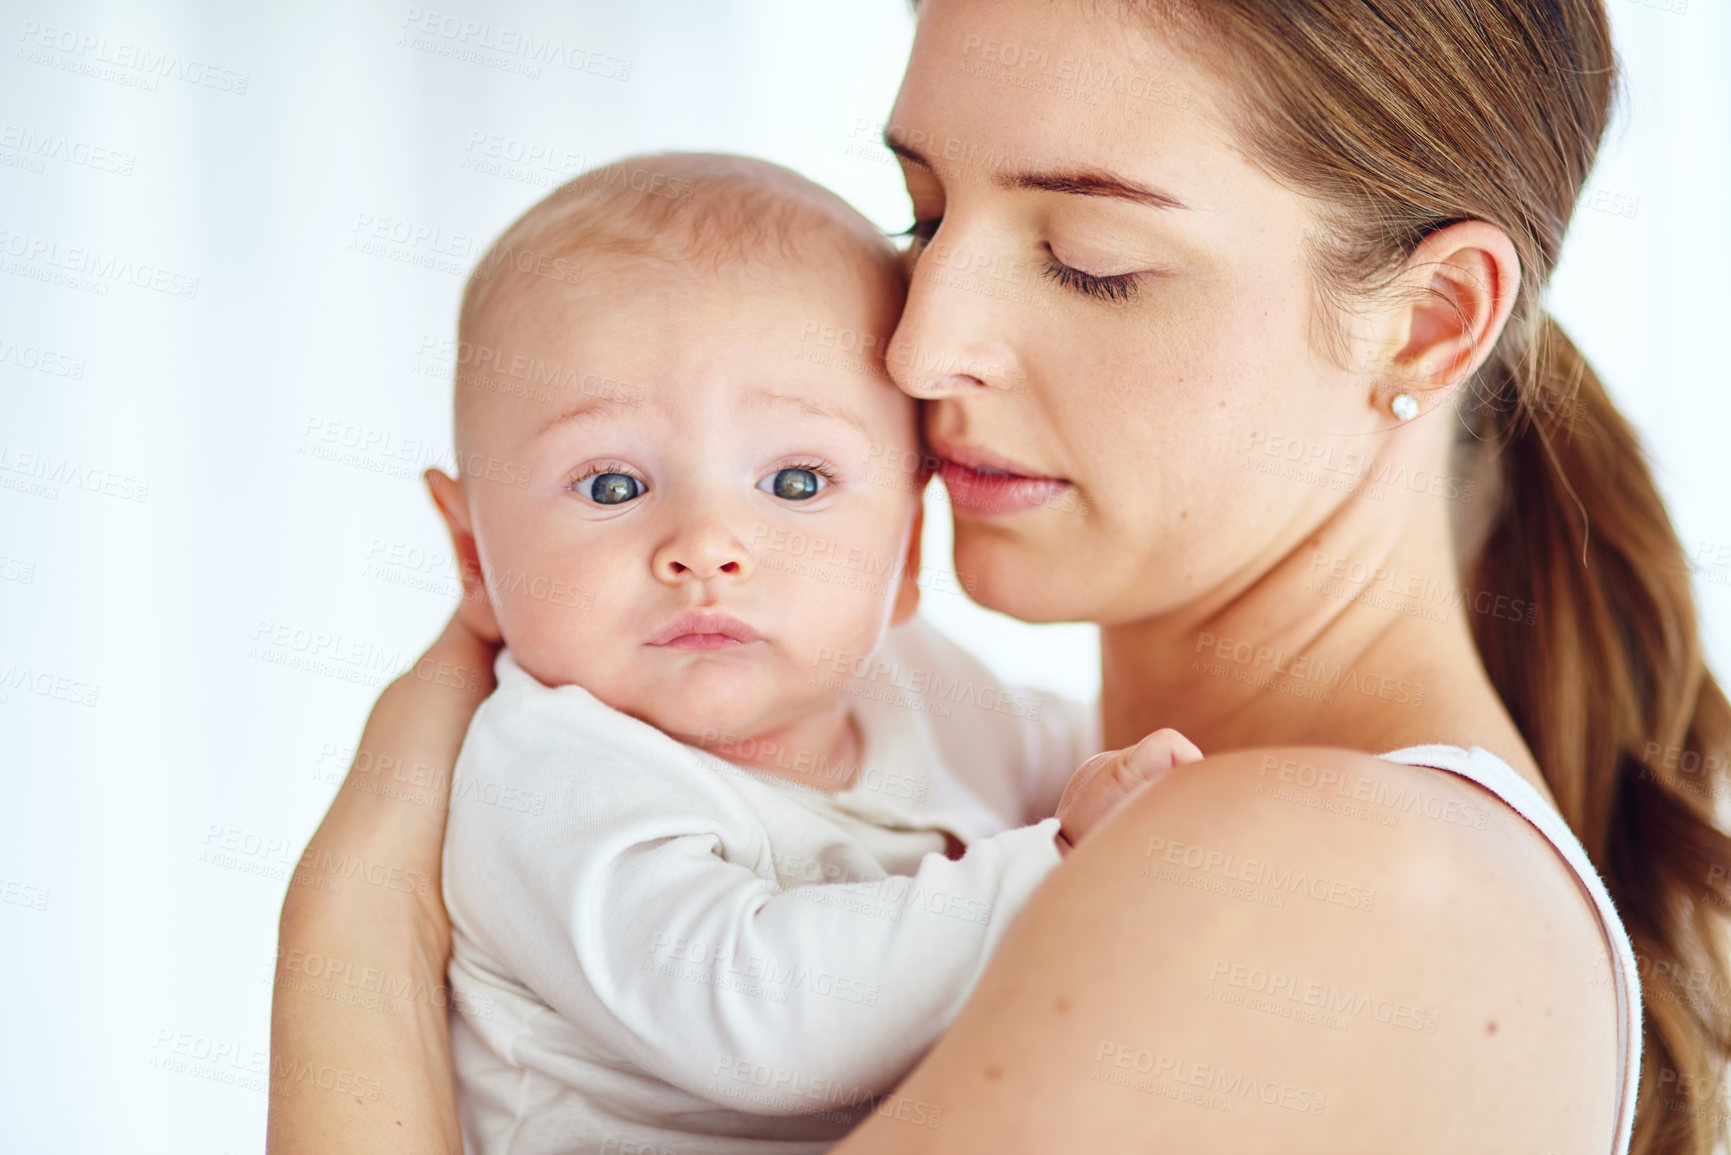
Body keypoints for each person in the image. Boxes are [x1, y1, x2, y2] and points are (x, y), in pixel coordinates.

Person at [268, 1, 1731, 1152]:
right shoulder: (1039, 775)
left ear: (1424, 320)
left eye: (1088, 257)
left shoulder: (1333, 878)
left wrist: (358, 914)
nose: (916, 346)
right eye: (922, 213)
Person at [426, 150, 1194, 1154]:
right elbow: (760, 1020)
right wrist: (1058, 866)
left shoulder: (920, 682)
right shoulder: (549, 771)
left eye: (795, 482)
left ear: (908, 550)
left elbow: (1069, 759)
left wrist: (1147, 789)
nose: (707, 546)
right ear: (474, 555)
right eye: (611, 485)